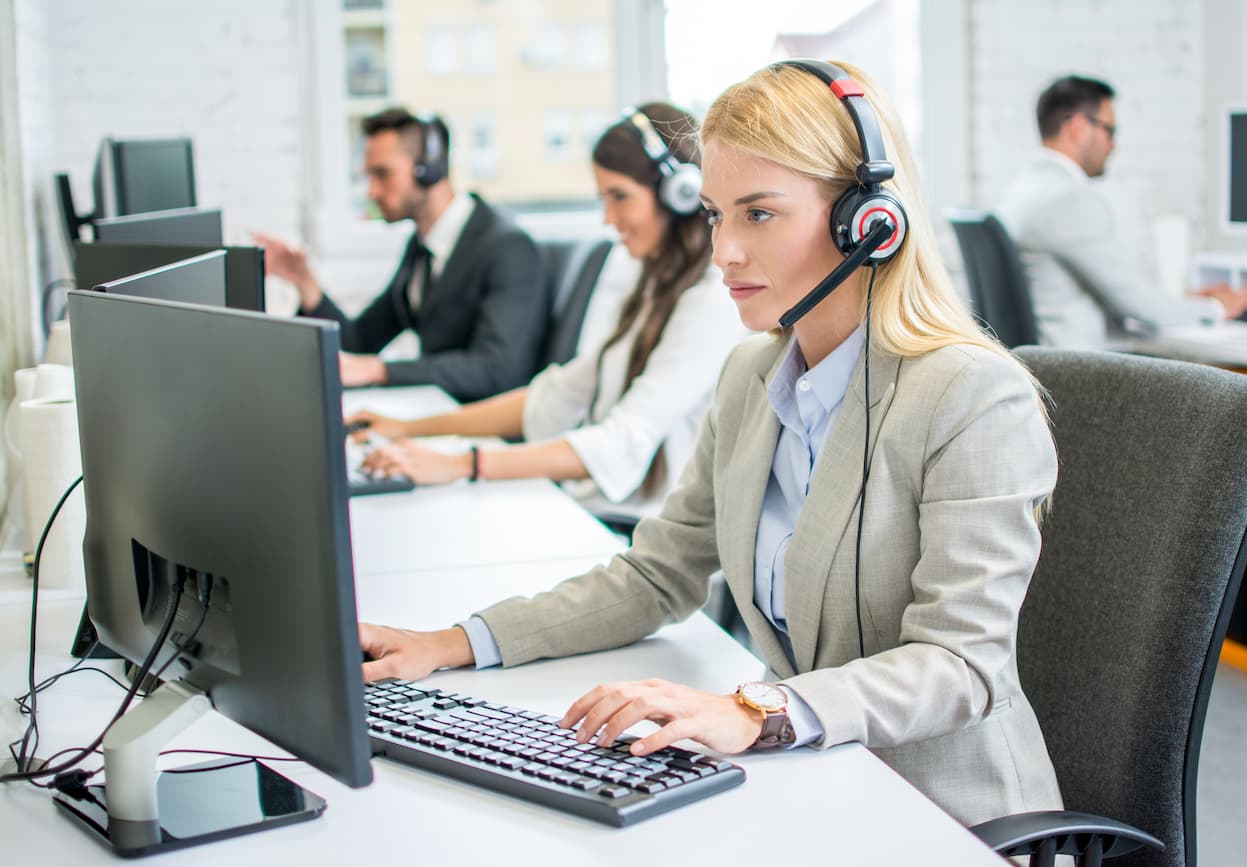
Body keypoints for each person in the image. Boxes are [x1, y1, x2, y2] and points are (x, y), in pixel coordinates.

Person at [358, 60, 1064, 828]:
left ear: (867, 222)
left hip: (943, 816)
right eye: (716, 214)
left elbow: (962, 664)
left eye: (758, 214)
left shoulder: (968, 396)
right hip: (807, 786)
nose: (723, 250)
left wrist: (759, 708)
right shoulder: (751, 377)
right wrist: (454, 643)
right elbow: (656, 576)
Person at [352, 103, 742, 523]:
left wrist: (461, 464)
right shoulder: (657, 290)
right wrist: (408, 428)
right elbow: (552, 397)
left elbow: (621, 441)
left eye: (619, 197)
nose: (608, 219)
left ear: (680, 194)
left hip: (641, 530)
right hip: (602, 512)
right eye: (603, 199)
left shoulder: (711, 302)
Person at [252, 109, 547, 398]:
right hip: (437, 410)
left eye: (383, 174)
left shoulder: (506, 248)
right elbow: (360, 341)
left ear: (429, 170)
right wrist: (304, 281)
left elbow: (495, 370)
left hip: (477, 425)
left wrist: (380, 370)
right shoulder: (423, 248)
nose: (372, 192)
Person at [997, 75, 1247, 348]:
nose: (1113, 145)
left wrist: (1188, 301)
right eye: (1109, 130)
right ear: (1077, 127)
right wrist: (1216, 308)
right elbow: (1139, 307)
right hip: (1081, 369)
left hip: (1051, 364)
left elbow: (1123, 295)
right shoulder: (1067, 199)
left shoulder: (1024, 190)